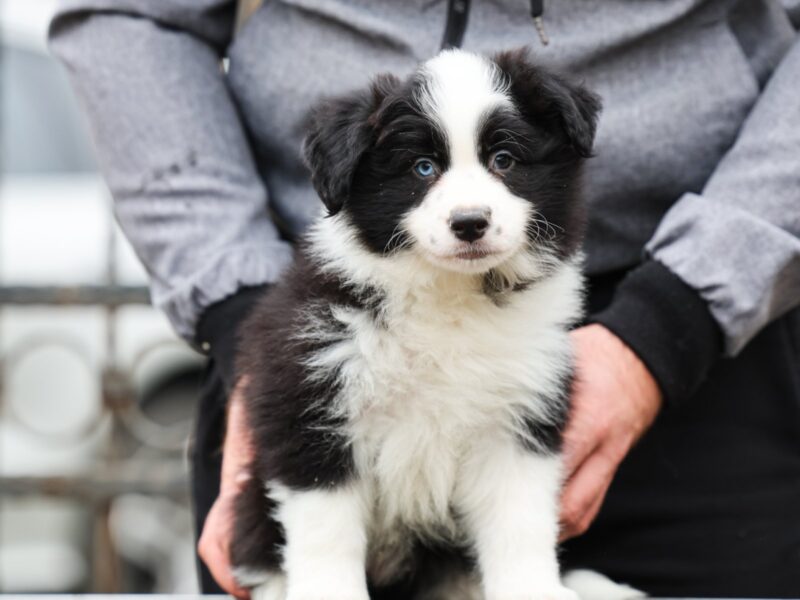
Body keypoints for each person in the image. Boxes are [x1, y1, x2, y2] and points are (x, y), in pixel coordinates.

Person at [49, 0, 800, 596]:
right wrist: (233, 298)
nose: (470, 201)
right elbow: (129, 16)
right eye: (425, 168)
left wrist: (684, 308)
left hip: (704, 327)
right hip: (285, 278)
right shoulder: (323, 314)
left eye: (503, 159)